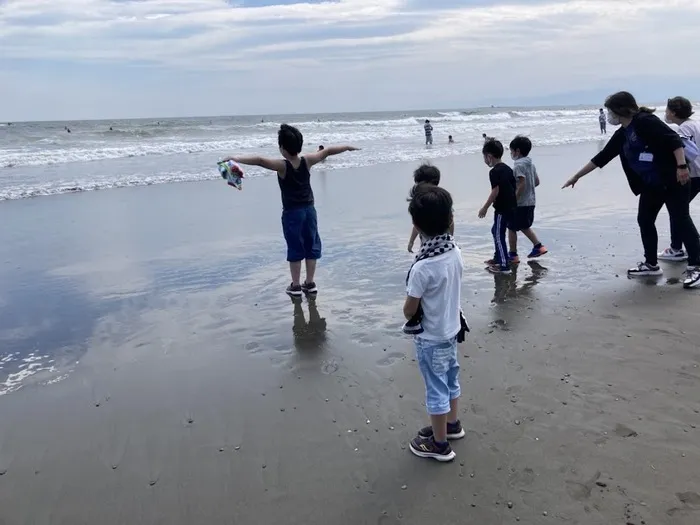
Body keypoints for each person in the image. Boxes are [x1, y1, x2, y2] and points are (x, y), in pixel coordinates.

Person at [562, 91, 700, 289]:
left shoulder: (645, 121)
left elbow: (674, 140)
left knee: (681, 219)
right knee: (645, 220)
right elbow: (602, 157)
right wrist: (577, 176)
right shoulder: (623, 133)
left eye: (611, 111)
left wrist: (681, 167)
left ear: (621, 110)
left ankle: (696, 265)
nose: (609, 116)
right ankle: (651, 264)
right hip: (652, 184)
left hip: (673, 179)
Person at [223, 124, 359, 296]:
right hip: (310, 211)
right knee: (312, 245)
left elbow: (259, 160)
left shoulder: (282, 166)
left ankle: (295, 286)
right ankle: (309, 283)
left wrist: (235, 158)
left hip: (292, 214)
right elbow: (328, 151)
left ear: (282, 148)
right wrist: (347, 147)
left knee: (295, 247)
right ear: (299, 145)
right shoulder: (307, 160)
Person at [403, 184, 465, 462]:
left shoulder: (422, 267)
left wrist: (408, 309)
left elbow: (410, 310)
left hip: (431, 338)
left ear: (416, 225)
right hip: (452, 330)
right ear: (451, 220)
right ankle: (452, 424)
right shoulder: (455, 252)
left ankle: (440, 444)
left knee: (436, 388)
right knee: (451, 378)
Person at [658, 96, 700, 261]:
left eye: (667, 110)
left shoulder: (684, 130)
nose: (666, 113)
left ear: (674, 112)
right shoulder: (696, 124)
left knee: (677, 211)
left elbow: (685, 153)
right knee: (679, 211)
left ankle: (677, 248)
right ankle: (685, 245)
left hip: (693, 174)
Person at [478, 139, 517, 274]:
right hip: (511, 206)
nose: (484, 160)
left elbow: (495, 191)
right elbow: (513, 187)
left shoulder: (494, 172)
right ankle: (498, 257)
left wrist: (485, 207)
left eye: (484, 157)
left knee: (499, 235)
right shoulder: (507, 168)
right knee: (495, 230)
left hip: (502, 208)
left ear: (489, 156)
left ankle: (504, 265)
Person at [507, 136, 547, 263]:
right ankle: (538, 246)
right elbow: (537, 182)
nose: (511, 153)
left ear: (517, 151)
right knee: (524, 226)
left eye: (511, 151)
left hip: (520, 203)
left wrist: (514, 199)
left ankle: (513, 254)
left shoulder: (518, 165)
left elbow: (522, 183)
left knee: (511, 227)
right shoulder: (531, 164)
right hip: (531, 201)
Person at [407, 164, 454, 253]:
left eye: (420, 183)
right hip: (428, 242)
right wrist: (411, 241)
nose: (418, 186)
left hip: (440, 241)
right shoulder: (421, 201)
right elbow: (417, 223)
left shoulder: (441, 199)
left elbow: (451, 221)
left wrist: (451, 239)